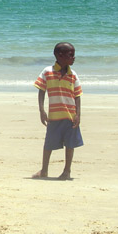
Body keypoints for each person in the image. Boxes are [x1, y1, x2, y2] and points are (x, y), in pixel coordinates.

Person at [32, 42, 83, 180]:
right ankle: (44, 170)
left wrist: (78, 114)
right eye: (71, 55)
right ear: (60, 55)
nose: (73, 57)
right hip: (54, 116)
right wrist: (42, 110)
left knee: (70, 144)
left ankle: (67, 171)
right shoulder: (47, 72)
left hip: (70, 116)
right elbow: (41, 91)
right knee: (49, 144)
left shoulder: (73, 75)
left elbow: (77, 96)